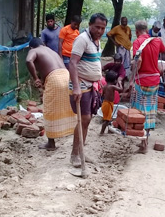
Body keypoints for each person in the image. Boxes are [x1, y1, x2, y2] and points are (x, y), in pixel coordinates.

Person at [68, 13, 107, 167]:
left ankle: (81, 151)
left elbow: (94, 61)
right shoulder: (82, 39)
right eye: (97, 27)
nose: (100, 30)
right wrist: (76, 87)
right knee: (83, 119)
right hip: (81, 85)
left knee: (87, 119)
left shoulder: (96, 41)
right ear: (90, 25)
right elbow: (72, 63)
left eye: (103, 28)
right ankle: (74, 155)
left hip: (91, 85)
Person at [25, 37, 74, 151]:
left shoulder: (34, 50)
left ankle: (51, 143)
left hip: (55, 79)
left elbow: (28, 60)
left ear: (31, 47)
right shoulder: (51, 51)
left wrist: (35, 78)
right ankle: (70, 132)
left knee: (49, 110)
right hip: (67, 76)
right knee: (68, 107)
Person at [130, 20, 165, 153]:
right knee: (150, 110)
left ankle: (143, 144)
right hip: (155, 80)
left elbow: (138, 60)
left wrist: (133, 76)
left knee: (140, 111)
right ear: (147, 29)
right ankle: (147, 138)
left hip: (142, 81)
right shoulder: (156, 41)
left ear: (136, 31)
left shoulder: (137, 42)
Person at [100, 71, 123, 135]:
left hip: (105, 103)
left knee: (108, 118)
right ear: (114, 80)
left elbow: (102, 95)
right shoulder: (112, 87)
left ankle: (109, 130)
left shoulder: (105, 86)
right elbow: (121, 89)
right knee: (107, 120)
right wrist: (120, 83)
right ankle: (102, 132)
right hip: (108, 104)